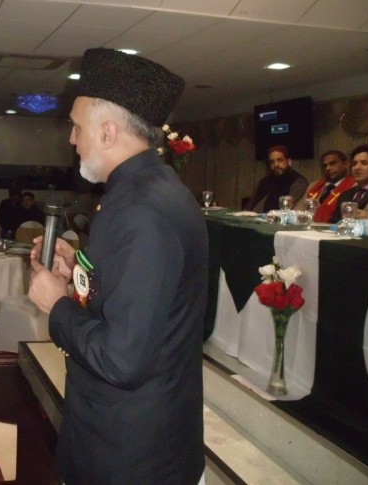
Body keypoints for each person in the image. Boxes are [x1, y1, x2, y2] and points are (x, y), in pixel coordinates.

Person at [27, 48, 207, 485]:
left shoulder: (141, 210)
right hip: (136, 439)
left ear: (107, 132)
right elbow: (142, 301)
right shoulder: (152, 189)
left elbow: (122, 359)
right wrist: (81, 268)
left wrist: (57, 305)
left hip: (131, 456)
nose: (71, 140)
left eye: (76, 126)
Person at [294, 150, 354, 223]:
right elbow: (298, 211)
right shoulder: (313, 186)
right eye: (324, 166)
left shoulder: (353, 186)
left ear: (346, 164)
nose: (328, 168)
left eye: (332, 163)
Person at [331, 144, 368, 222]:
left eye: (364, 163)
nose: (357, 168)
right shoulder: (345, 195)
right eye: (354, 164)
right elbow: (334, 224)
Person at [245, 145, 308, 213]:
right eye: (272, 162)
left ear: (289, 162)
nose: (276, 165)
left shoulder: (298, 182)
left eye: (279, 160)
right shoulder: (263, 182)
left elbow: (287, 209)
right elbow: (249, 207)